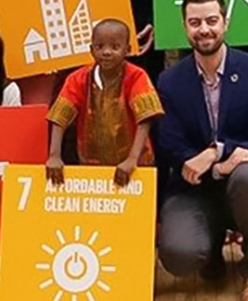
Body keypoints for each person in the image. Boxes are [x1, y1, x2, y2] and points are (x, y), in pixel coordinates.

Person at [154, 0, 248, 301]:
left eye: (212, 20)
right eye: (195, 22)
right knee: (180, 256)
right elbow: (171, 145)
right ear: (184, 27)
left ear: (225, 22)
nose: (204, 29)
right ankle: (208, 248)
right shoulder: (169, 81)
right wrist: (217, 163)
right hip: (192, 187)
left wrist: (216, 152)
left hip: (241, 182)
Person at [46, 19, 162, 187]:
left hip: (136, 165)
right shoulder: (78, 78)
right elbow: (59, 117)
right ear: (91, 50)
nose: (106, 52)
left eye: (115, 47)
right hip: (90, 165)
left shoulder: (137, 76)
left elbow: (145, 118)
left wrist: (132, 159)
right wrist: (54, 155)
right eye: (100, 47)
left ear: (127, 50)